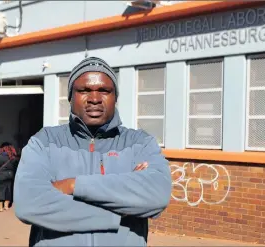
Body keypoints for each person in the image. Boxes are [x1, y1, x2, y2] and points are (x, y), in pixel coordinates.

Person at [14, 57, 172, 247]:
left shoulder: (140, 143)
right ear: (71, 97)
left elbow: (156, 193)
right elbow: (29, 203)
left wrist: (73, 185)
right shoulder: (44, 142)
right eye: (84, 90)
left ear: (115, 97)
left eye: (104, 91)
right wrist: (118, 210)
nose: (95, 99)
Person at [0, 142, 18, 212]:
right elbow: (15, 167)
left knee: (1, 190)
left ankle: (0, 207)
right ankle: (6, 206)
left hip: (1, 175)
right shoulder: (13, 157)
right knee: (8, 190)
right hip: (10, 175)